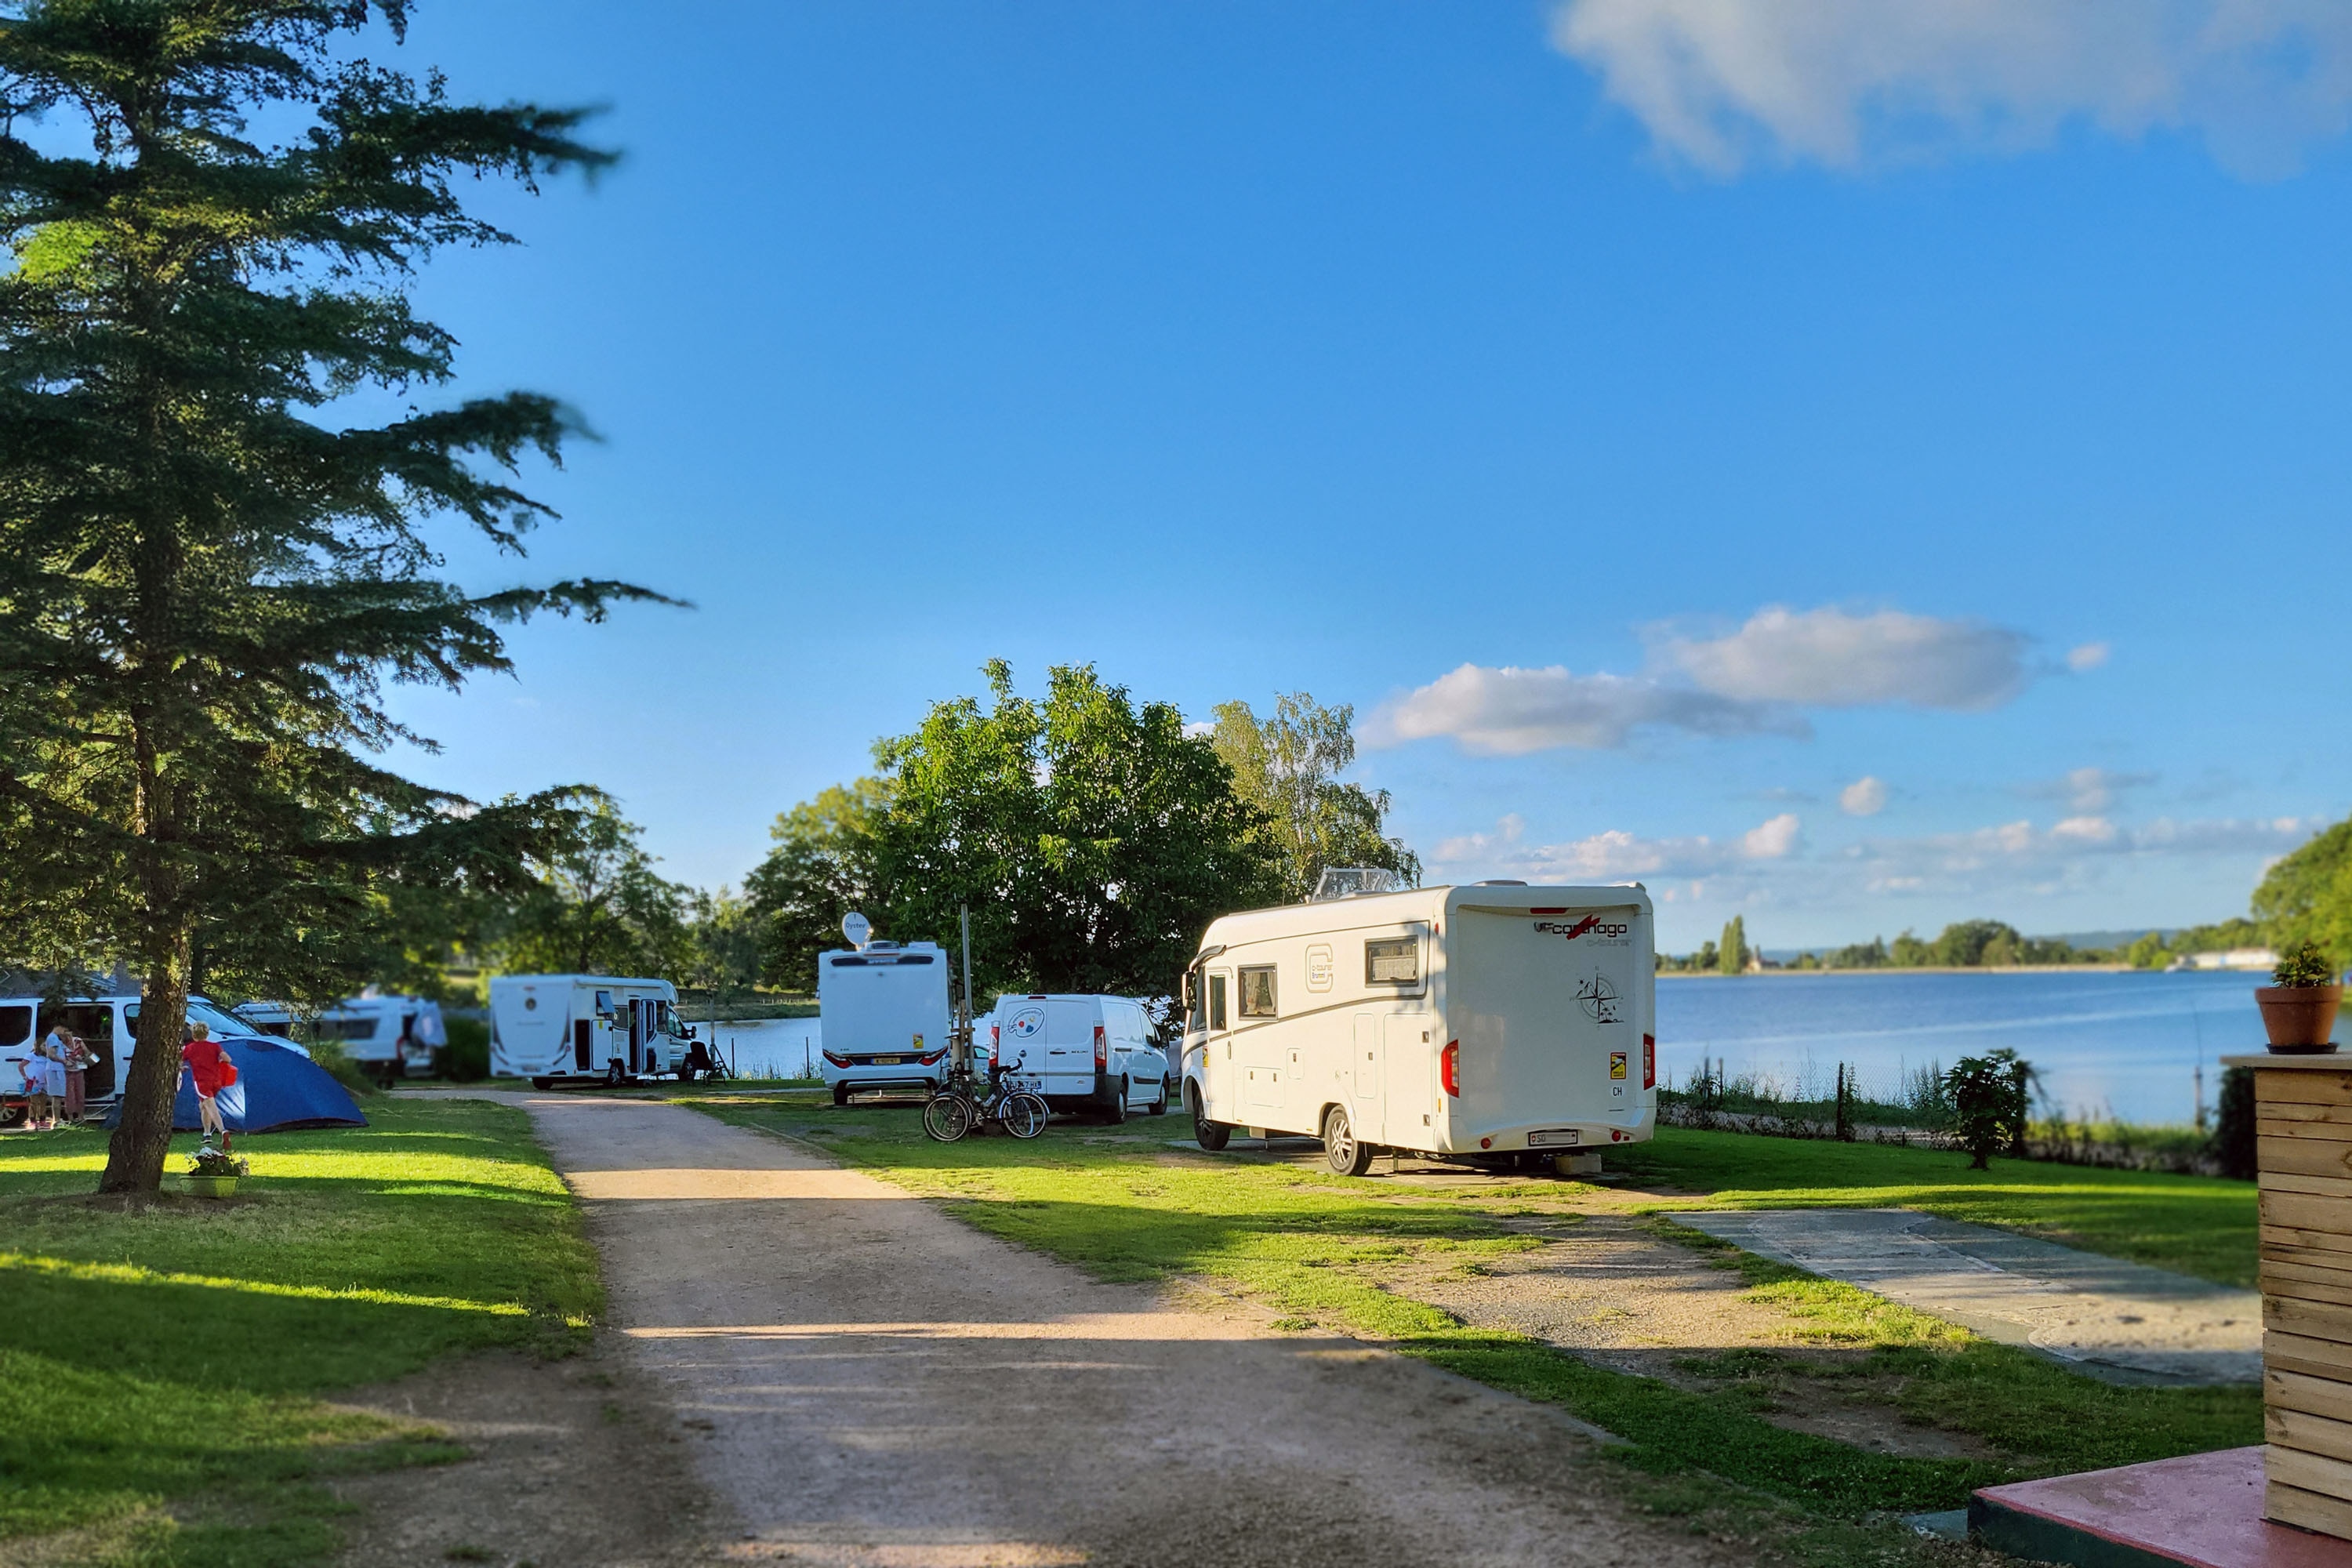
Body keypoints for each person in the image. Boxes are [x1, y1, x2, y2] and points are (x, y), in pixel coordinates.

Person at [181, 1023, 236, 1152]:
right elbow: (228, 1059)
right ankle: (207, 1134)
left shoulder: (190, 1048)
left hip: (202, 1082)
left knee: (211, 1107)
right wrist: (220, 1062)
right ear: (207, 1034)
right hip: (216, 1081)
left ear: (193, 1035)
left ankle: (223, 1130)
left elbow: (179, 1058)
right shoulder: (215, 1046)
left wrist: (181, 1067)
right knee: (203, 1105)